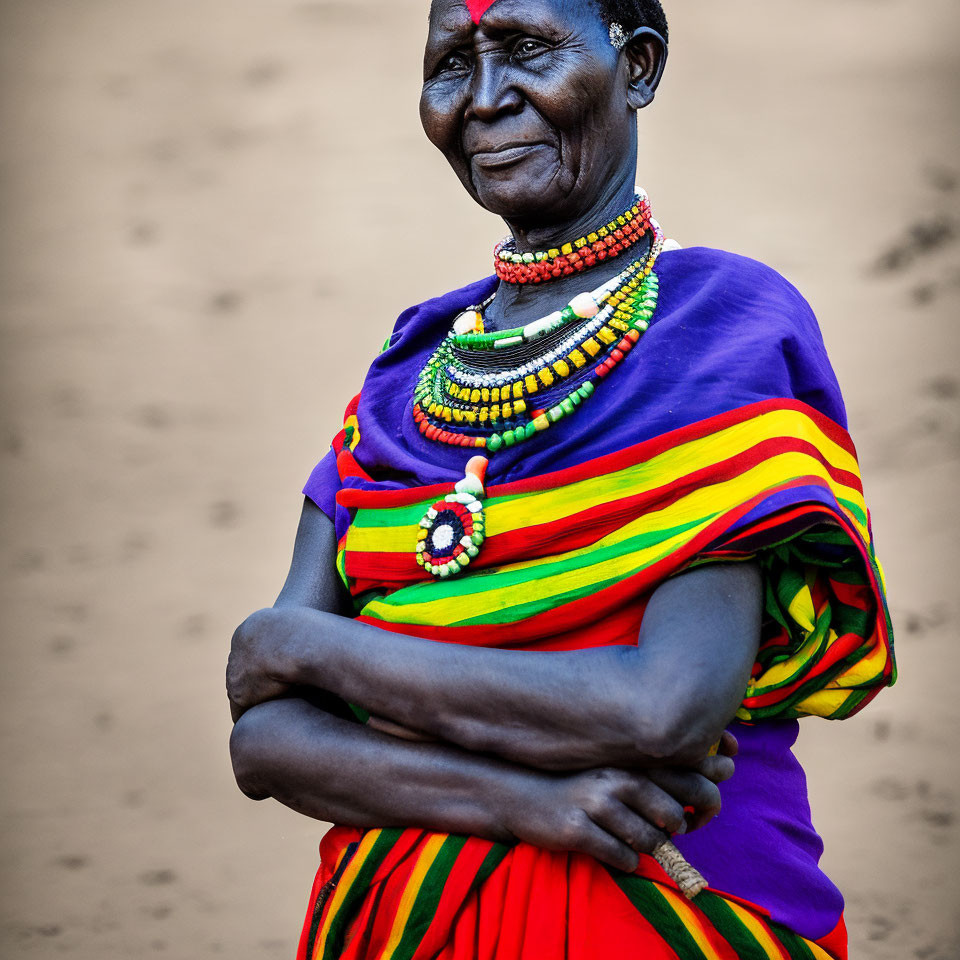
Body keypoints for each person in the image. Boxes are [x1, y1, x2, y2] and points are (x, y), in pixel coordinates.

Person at [226, 1, 895, 957]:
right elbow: (266, 741)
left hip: (674, 903)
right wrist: (534, 803)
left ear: (641, 67)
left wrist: (295, 640)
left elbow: (664, 707)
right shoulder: (407, 373)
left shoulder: (716, 331)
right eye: (453, 63)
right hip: (403, 921)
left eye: (529, 50)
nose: (489, 99)